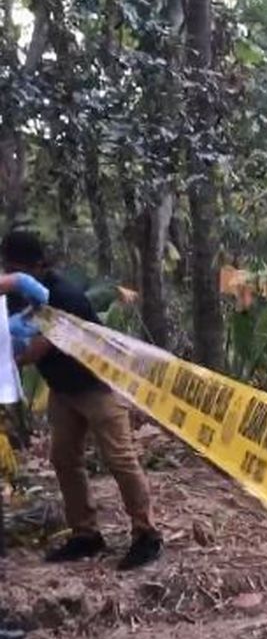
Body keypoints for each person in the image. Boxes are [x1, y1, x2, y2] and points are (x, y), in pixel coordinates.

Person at [0, 229, 162, 570]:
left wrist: (7, 357)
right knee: (64, 459)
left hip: (98, 386)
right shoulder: (18, 297)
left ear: (38, 265)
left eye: (17, 268)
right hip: (64, 390)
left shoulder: (64, 296)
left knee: (120, 459)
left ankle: (146, 534)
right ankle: (86, 534)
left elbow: (34, 350)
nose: (11, 274)